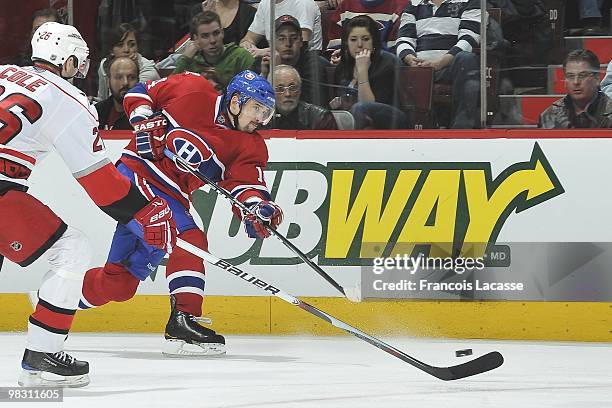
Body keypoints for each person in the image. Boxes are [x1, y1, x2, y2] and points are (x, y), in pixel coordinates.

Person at [0, 22, 176, 387]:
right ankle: (43, 356)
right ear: (66, 62)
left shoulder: (4, 72)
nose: (79, 72)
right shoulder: (67, 99)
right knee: (72, 249)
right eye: (78, 64)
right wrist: (145, 211)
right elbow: (101, 184)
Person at [79, 70, 284, 356]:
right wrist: (142, 122)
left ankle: (59, 299)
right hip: (135, 176)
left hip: (172, 197)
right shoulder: (192, 88)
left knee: (120, 284)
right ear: (235, 102)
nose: (261, 118)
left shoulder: (249, 145)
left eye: (266, 113)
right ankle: (184, 320)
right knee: (189, 240)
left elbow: (245, 185)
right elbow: (141, 92)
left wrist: (257, 208)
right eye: (256, 109)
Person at [396, 0, 482, 128]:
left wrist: (439, 63)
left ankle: (462, 127)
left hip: (450, 67)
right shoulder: (414, 4)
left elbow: (469, 38)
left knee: (466, 58)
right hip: (419, 68)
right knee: (394, 60)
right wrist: (410, 59)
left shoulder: (470, 2)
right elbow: (404, 38)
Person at [332, 15, 408, 129]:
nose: (359, 45)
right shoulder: (343, 66)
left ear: (374, 42)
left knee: (361, 108)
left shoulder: (387, 63)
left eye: (365, 39)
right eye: (353, 39)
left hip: (393, 118)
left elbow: (368, 107)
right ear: (346, 43)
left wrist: (362, 72)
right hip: (359, 121)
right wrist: (338, 104)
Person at [256, 15, 329, 107]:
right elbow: (253, 103)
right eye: (281, 39)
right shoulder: (263, 62)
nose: (288, 44)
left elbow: (312, 105)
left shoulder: (314, 64)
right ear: (272, 43)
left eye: (294, 38)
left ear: (301, 41)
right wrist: (264, 75)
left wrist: (277, 71)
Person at [173, 11, 254, 86]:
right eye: (205, 36)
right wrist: (186, 59)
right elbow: (170, 90)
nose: (212, 40)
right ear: (196, 38)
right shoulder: (190, 60)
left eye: (216, 33)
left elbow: (255, 91)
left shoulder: (241, 57)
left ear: (222, 33)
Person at [539, 49, 612, 128]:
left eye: (582, 75)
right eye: (570, 76)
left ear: (597, 78)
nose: (576, 82)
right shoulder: (550, 116)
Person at [97, 23, 160, 100]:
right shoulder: (104, 65)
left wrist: (135, 65)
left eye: (132, 44)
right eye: (120, 45)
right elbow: (102, 99)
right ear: (111, 50)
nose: (126, 50)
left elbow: (128, 100)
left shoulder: (148, 72)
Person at [240, 0, 322, 57]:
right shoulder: (265, 3)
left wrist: (265, 52)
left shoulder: (304, 3)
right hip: (274, 59)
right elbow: (249, 39)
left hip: (305, 61)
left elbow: (300, 45)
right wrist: (248, 47)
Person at [272, 65, 337, 129]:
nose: (288, 94)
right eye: (280, 89)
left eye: (293, 88)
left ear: (300, 90)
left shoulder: (321, 118)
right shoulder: (263, 119)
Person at [326, 0, 406, 50]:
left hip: (382, 65)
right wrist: (340, 55)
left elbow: (393, 50)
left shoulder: (400, 6)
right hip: (348, 64)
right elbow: (334, 47)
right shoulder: (345, 5)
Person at [95, 56, 139, 130]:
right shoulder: (96, 113)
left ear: (138, 81)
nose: (125, 83)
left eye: (131, 77)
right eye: (119, 77)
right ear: (108, 82)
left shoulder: (149, 114)